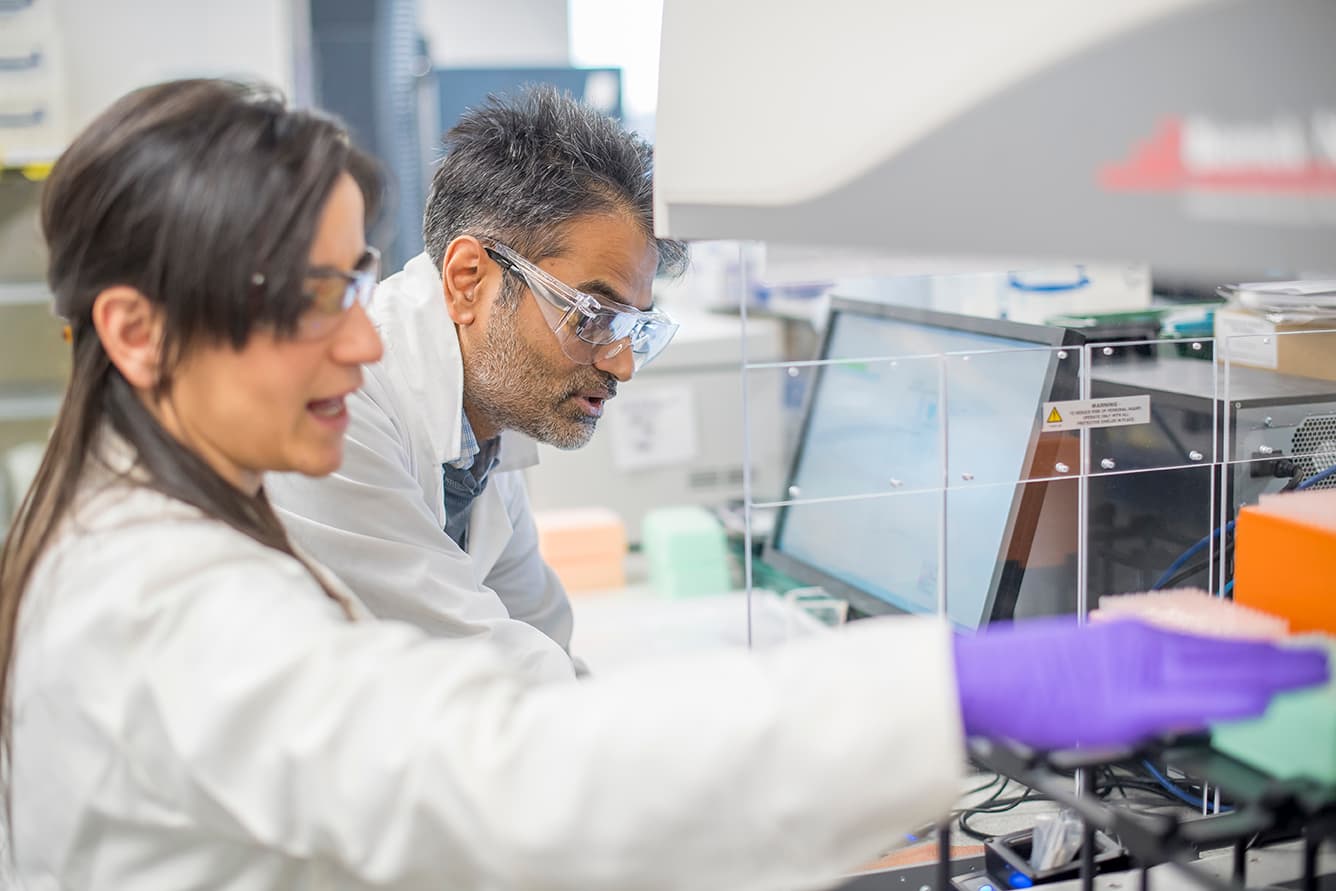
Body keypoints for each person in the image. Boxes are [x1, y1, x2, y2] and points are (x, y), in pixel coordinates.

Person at [0, 78, 1325, 891]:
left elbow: (533, 672)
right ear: (135, 332)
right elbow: (502, 768)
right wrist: (952, 689)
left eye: (353, 288)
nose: (357, 332)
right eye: (307, 301)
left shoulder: (297, 460)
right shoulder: (167, 600)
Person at [265, 86, 688, 682]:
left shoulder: (481, 426)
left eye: (636, 331)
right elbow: (477, 666)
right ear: (468, 280)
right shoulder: (347, 400)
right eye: (593, 317)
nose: (621, 365)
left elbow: (539, 636)